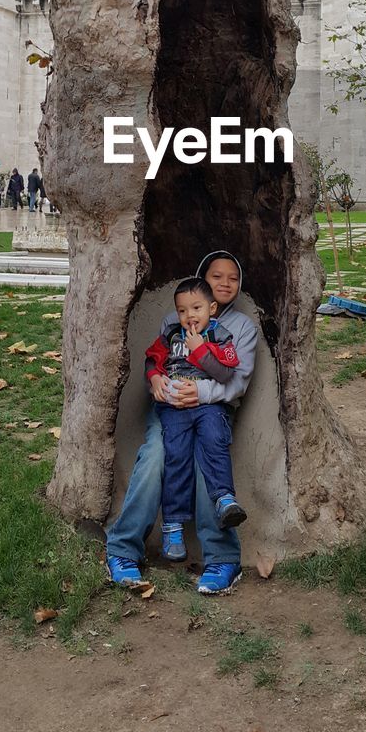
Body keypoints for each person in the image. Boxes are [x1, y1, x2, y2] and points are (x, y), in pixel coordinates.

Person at [106, 251, 256, 595]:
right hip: (171, 408)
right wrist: (155, 381)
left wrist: (199, 393)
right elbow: (157, 361)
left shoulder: (241, 329)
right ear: (203, 278)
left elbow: (237, 382)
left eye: (233, 278)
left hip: (211, 411)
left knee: (207, 464)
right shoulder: (174, 321)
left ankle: (222, 557)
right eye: (216, 276)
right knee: (155, 456)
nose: (225, 283)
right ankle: (123, 549)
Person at [146, 277, 246, 561]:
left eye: (197, 308)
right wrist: (153, 376)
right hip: (174, 405)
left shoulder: (220, 336)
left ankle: (224, 499)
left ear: (212, 309)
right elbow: (152, 358)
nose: (190, 316)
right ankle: (173, 525)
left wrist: (200, 348)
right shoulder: (171, 334)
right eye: (182, 310)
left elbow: (226, 374)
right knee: (175, 455)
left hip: (207, 406)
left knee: (215, 441)